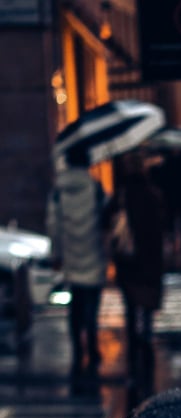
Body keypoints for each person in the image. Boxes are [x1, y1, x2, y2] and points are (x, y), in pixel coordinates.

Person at [104, 150, 166, 407]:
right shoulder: (153, 194)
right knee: (146, 312)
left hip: (129, 264)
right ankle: (146, 347)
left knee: (131, 311)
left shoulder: (121, 196)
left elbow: (106, 222)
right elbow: (163, 225)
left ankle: (135, 352)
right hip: (149, 263)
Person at [46, 144, 109, 394]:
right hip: (92, 252)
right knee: (91, 305)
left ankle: (77, 351)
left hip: (71, 254)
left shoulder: (59, 190)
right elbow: (104, 219)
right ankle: (92, 348)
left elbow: (53, 223)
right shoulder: (94, 188)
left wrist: (57, 253)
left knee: (75, 307)